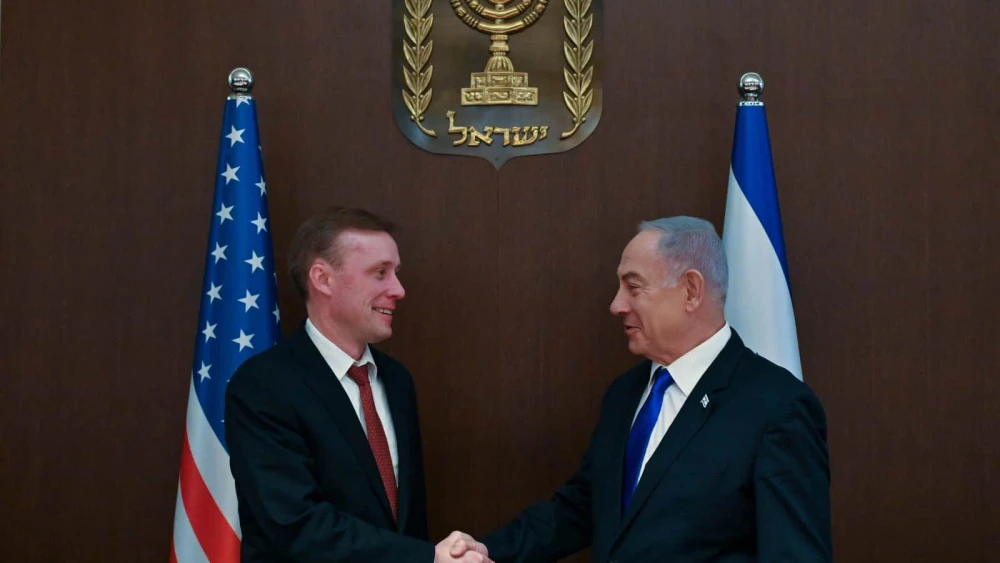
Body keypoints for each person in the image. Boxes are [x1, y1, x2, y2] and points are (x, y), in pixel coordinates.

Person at [452, 216, 832, 562]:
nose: (617, 305)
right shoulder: (625, 393)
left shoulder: (777, 407)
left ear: (691, 291)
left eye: (633, 287)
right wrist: (487, 550)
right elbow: (583, 508)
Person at [226, 206, 491, 562]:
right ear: (323, 279)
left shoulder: (396, 382)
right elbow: (295, 526)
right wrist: (426, 558)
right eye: (380, 273)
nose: (398, 290)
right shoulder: (263, 386)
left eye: (396, 273)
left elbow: (406, 522)